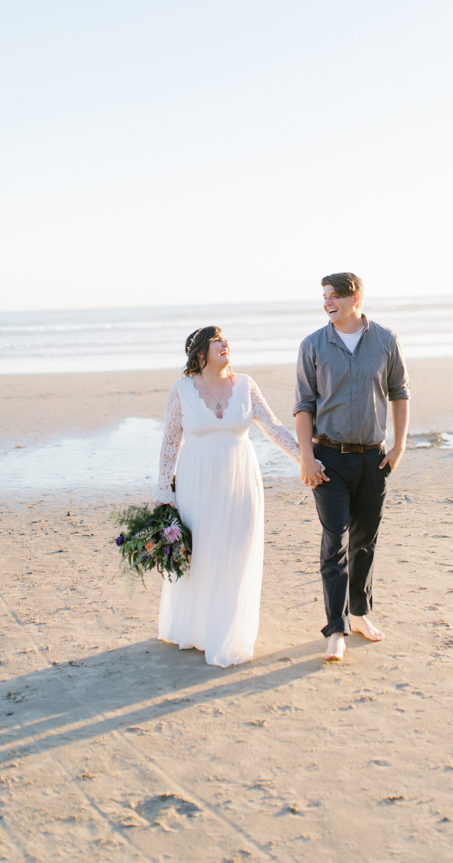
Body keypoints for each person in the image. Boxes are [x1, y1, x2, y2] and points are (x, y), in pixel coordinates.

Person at [154, 326, 301, 668]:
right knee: (203, 552)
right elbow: (169, 441)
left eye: (226, 339)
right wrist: (164, 490)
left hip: (241, 478)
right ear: (200, 353)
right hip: (197, 481)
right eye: (217, 340)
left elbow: (273, 426)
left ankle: (229, 631)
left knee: (237, 549)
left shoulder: (246, 385)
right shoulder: (181, 391)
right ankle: (198, 628)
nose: (225, 343)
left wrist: (303, 459)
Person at [294, 272, 410, 662]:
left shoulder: (385, 340)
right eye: (324, 296)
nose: (327, 302)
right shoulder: (312, 345)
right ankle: (336, 629)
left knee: (364, 541)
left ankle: (359, 613)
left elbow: (400, 392)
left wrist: (399, 446)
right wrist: (306, 457)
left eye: (334, 296)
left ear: (354, 297)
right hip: (327, 458)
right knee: (335, 541)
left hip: (373, 458)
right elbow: (304, 405)